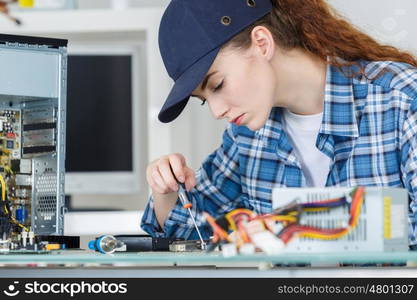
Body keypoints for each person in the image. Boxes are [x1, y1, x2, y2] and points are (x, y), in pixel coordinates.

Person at [141, 0, 417, 248]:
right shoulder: (246, 137)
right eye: (203, 100)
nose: (216, 111)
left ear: (262, 42)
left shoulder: (401, 100)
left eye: (217, 84)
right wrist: (164, 191)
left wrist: (289, 232)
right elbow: (194, 234)